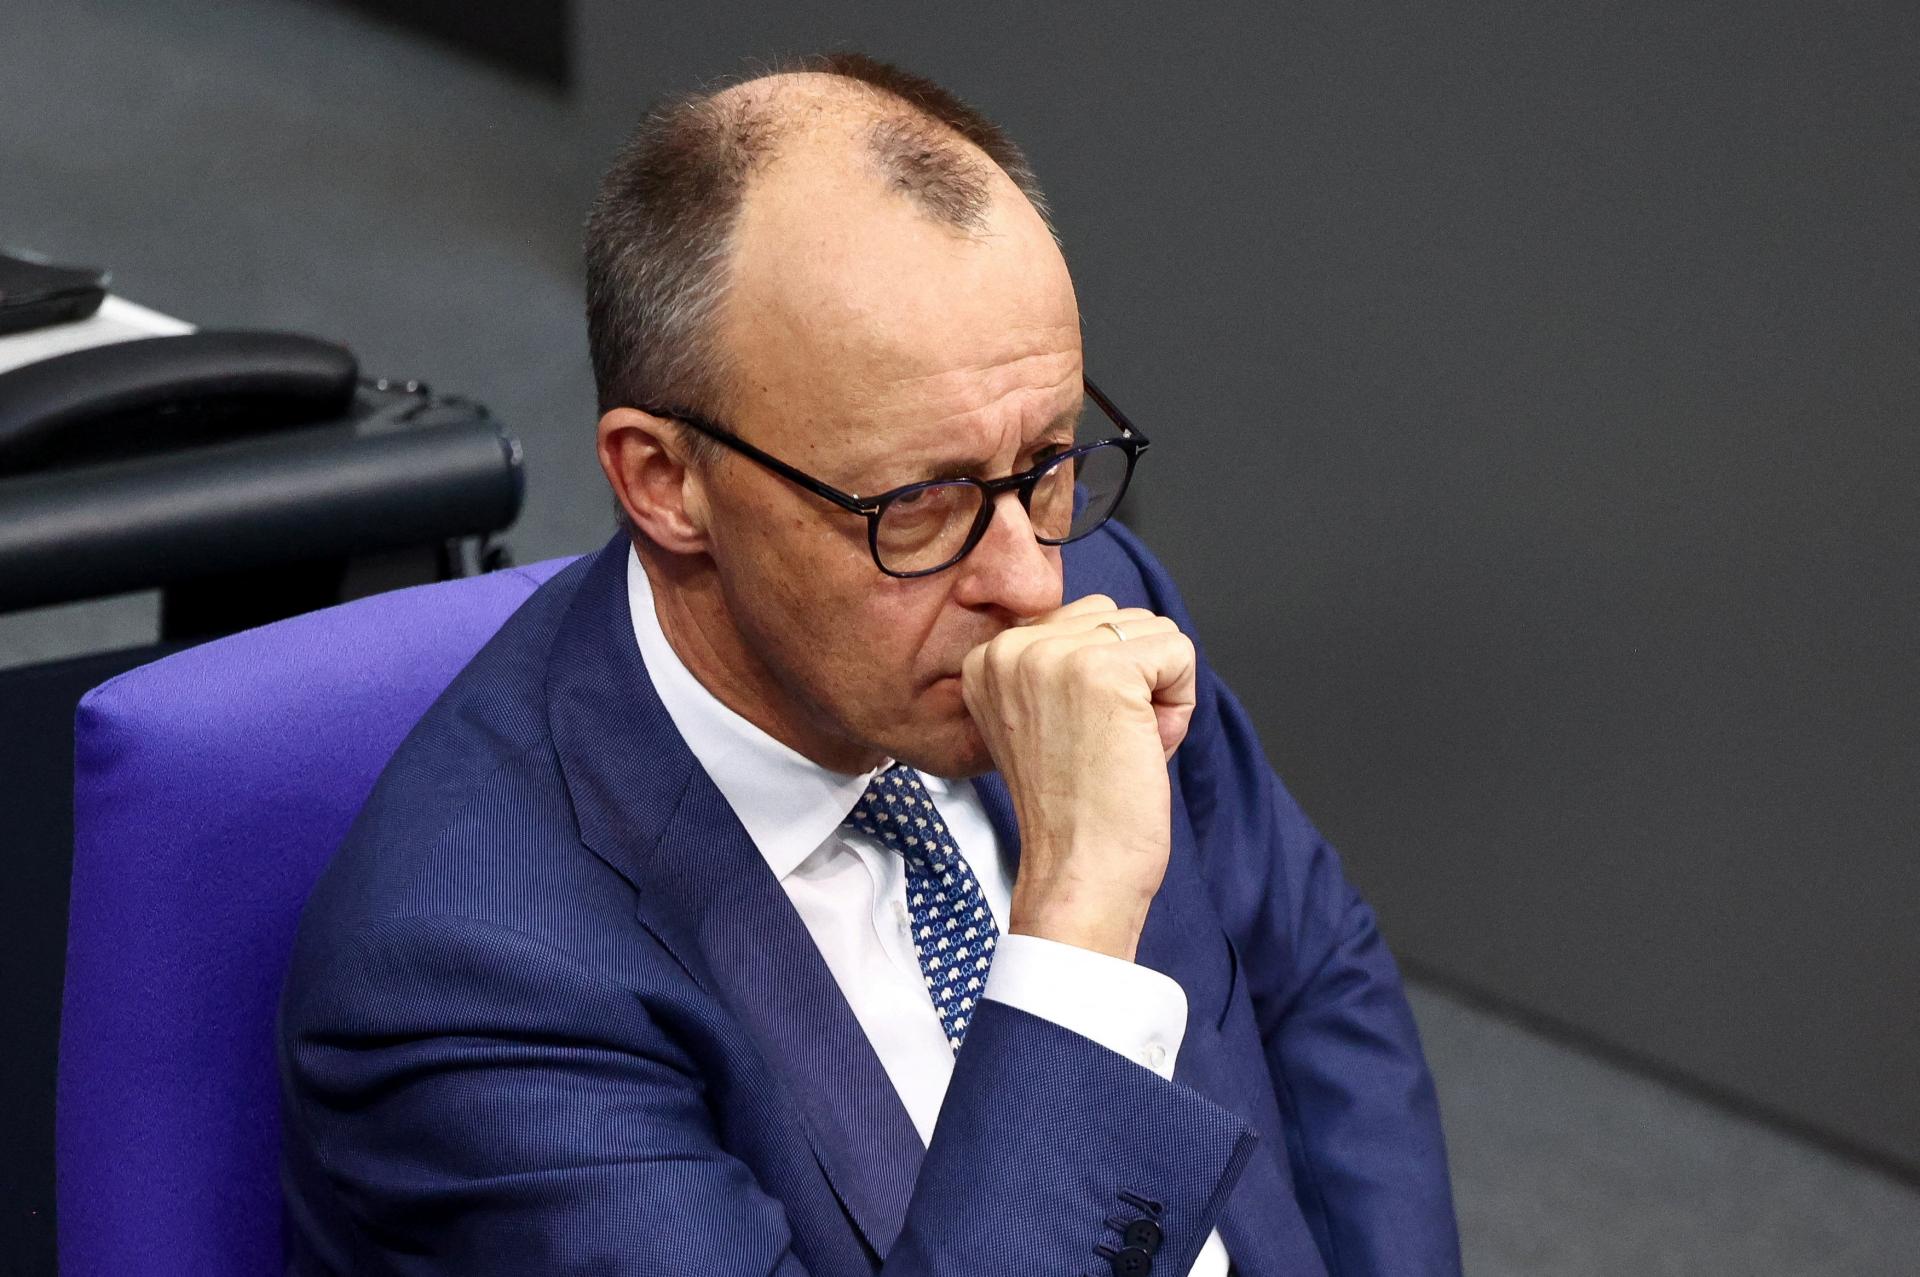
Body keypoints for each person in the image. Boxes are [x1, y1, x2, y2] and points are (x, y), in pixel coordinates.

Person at [277, 53, 1461, 1277]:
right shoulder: (478, 983)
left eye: (1049, 459)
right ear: (665, 481)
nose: (1032, 584)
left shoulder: (1102, 594)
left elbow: (1314, 980)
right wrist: (1077, 918)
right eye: (919, 501)